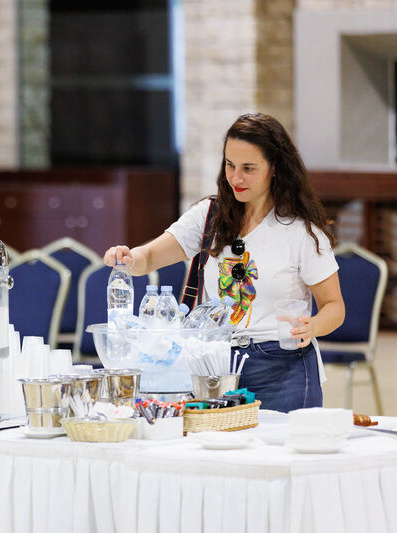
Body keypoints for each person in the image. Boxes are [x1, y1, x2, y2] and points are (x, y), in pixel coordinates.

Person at [104, 113, 345, 413]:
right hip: (216, 364)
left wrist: (313, 326)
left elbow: (335, 306)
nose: (236, 178)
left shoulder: (301, 232)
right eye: (230, 165)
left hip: (284, 366)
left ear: (275, 169)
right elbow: (149, 257)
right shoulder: (209, 216)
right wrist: (128, 258)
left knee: (280, 456)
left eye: (248, 168)